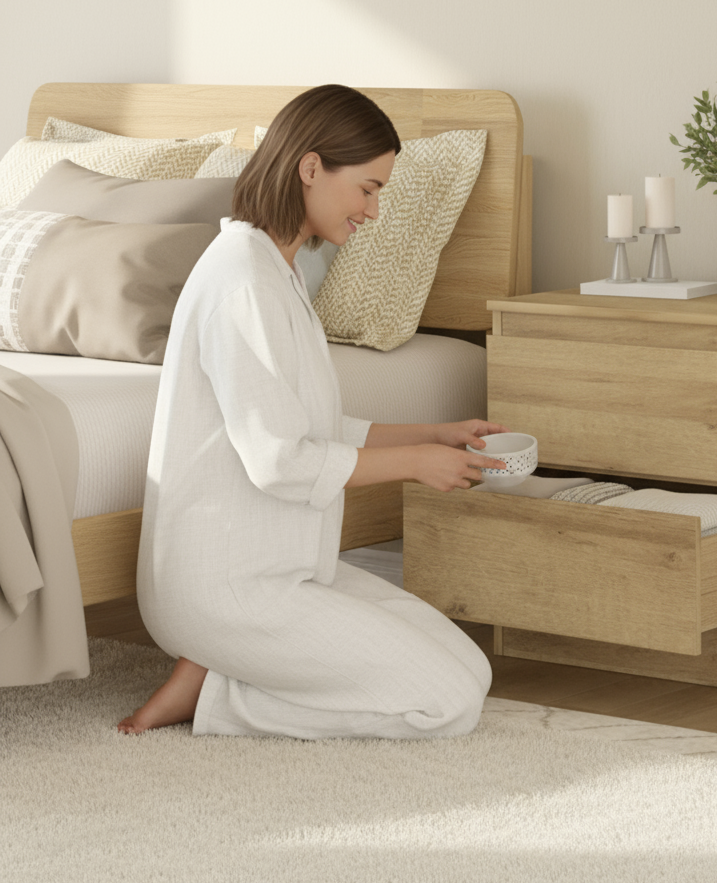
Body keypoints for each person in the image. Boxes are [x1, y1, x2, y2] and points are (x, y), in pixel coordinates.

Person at [118, 85, 507, 739]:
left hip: (287, 570)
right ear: (310, 168)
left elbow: (313, 430)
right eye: (367, 188)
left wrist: (436, 433)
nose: (374, 211)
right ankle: (216, 691)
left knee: (471, 669)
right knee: (447, 705)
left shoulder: (279, 269)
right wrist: (416, 463)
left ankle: (214, 669)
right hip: (229, 589)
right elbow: (280, 463)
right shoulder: (243, 279)